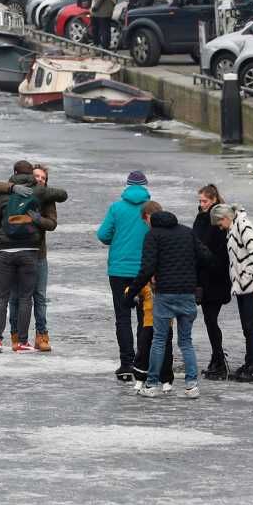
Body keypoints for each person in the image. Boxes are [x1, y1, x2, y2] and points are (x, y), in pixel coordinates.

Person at [121, 204, 202, 399]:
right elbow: (204, 257)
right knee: (186, 341)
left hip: (165, 294)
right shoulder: (187, 232)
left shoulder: (153, 235)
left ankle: (153, 384)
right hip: (187, 293)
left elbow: (147, 268)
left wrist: (131, 292)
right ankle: (191, 385)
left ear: (150, 218)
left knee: (159, 340)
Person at [0, 160, 66, 353]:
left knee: (22, 296)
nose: (39, 180)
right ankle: (19, 339)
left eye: (43, 178)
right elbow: (64, 194)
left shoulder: (12, 195)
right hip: (29, 250)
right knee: (21, 298)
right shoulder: (31, 193)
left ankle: (21, 337)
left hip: (18, 252)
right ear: (31, 175)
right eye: (36, 176)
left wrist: (8, 236)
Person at [95, 171, 154, 381]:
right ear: (145, 186)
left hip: (119, 271)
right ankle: (141, 362)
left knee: (122, 317)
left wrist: (118, 239)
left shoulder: (117, 208)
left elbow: (103, 235)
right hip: (145, 271)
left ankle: (126, 363)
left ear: (127, 186)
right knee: (144, 317)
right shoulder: (151, 208)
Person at [212, 201, 253, 382]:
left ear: (225, 218)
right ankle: (250, 362)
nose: (220, 228)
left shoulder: (244, 226)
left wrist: (246, 277)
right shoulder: (234, 227)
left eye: (220, 224)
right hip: (244, 287)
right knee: (248, 327)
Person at [193, 184, 232, 379]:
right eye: (200, 201)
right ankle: (216, 358)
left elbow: (220, 251)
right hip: (203, 277)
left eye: (205, 201)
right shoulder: (200, 218)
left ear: (214, 200)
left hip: (216, 276)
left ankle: (218, 359)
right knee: (210, 320)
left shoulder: (218, 221)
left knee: (210, 319)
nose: (202, 204)